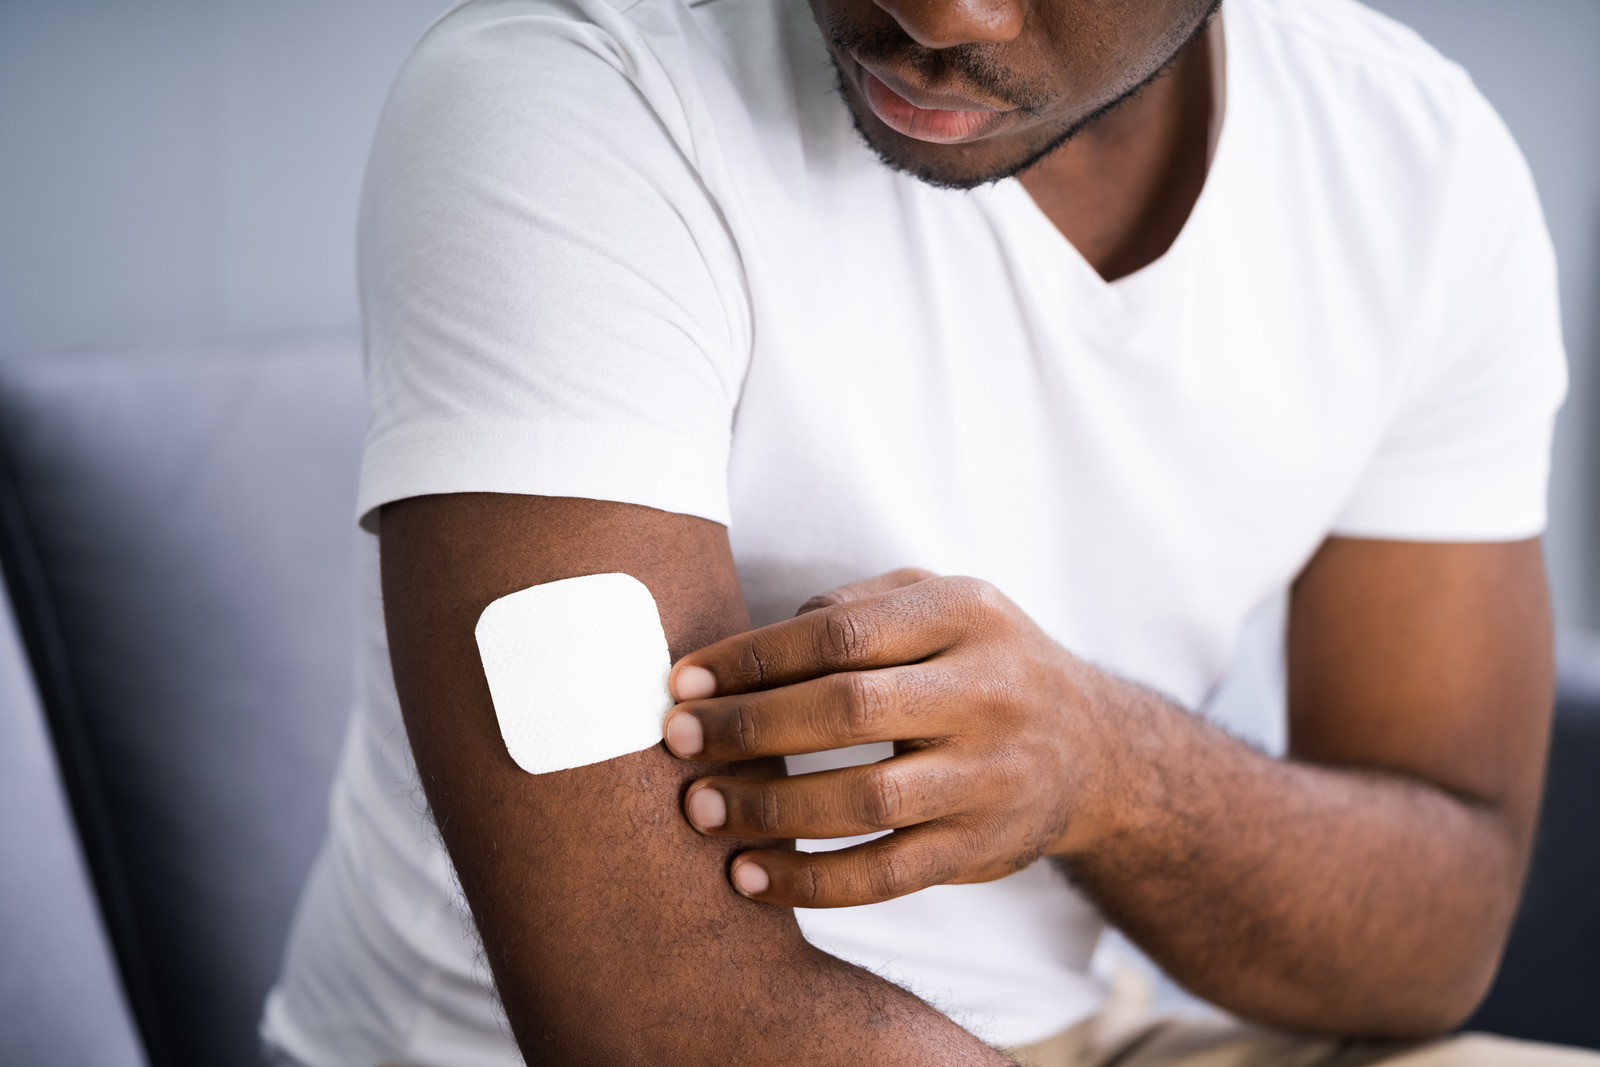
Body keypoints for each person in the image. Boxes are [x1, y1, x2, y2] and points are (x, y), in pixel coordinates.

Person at [260, 0, 1596, 1062]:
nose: (940, 11)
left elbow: (1436, 931)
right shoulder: (572, 99)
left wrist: (1105, 770)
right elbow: (660, 1018)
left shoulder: (1416, 173)